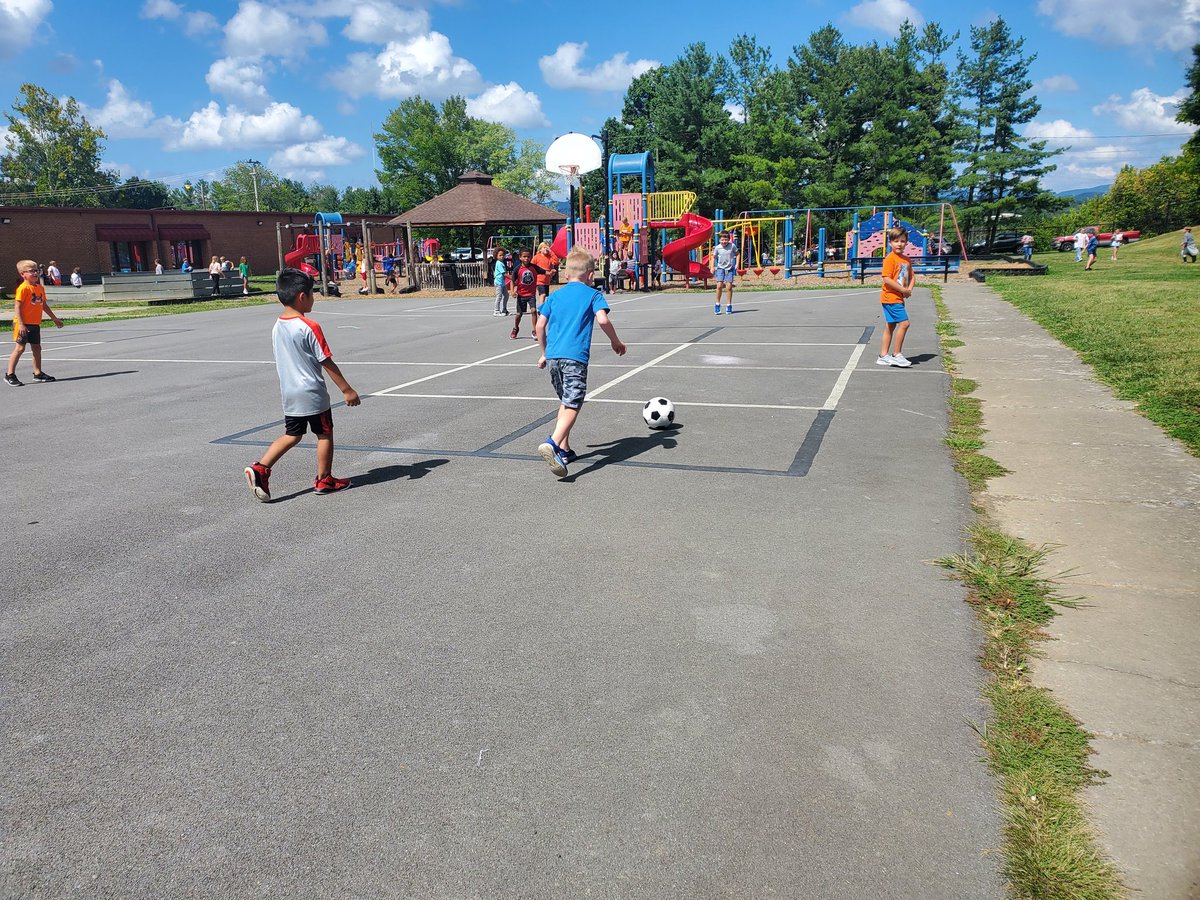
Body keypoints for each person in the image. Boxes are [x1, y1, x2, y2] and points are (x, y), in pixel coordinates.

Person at [243, 267, 360, 503]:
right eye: (312, 294)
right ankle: (324, 478)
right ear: (301, 297)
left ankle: (261, 468)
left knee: (292, 435)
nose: (314, 299)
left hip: (290, 392)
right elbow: (325, 360)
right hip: (312, 392)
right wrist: (347, 389)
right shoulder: (309, 327)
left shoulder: (278, 326)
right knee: (324, 433)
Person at [534, 248, 627, 478]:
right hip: (575, 358)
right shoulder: (593, 295)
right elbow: (603, 319)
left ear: (565, 275)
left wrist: (544, 353)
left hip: (554, 357)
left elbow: (539, 327)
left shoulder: (554, 296)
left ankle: (564, 450)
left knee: (566, 402)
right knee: (574, 403)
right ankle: (553, 443)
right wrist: (615, 341)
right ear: (591, 275)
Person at [6, 260, 63, 387]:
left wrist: (54, 318)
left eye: (36, 270)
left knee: (37, 348)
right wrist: (20, 324)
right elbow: (18, 307)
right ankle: (10, 374)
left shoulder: (39, 288)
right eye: (32, 271)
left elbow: (43, 305)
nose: (35, 273)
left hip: (34, 323)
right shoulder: (23, 288)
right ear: (23, 274)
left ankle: (37, 373)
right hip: (22, 324)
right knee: (20, 348)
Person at [876, 226, 915, 368]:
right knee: (905, 324)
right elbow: (886, 278)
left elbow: (912, 277)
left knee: (890, 326)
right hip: (890, 297)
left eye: (903, 241)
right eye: (896, 241)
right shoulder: (890, 259)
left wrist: (908, 290)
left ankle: (883, 356)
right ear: (890, 243)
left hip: (899, 297)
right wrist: (903, 290)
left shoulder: (906, 260)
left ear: (906, 243)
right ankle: (896, 354)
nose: (899, 244)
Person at [510, 248, 539, 339]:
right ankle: (515, 328)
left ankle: (535, 331)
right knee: (519, 314)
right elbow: (512, 280)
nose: (526, 258)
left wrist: (550, 273)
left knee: (534, 310)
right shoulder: (517, 269)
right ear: (520, 257)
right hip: (521, 295)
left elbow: (544, 271)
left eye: (528, 257)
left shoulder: (534, 267)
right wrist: (512, 291)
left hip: (531, 295)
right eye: (524, 257)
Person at [712, 230, 736, 315]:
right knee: (719, 285)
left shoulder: (732, 246)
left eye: (726, 240)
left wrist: (737, 264)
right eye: (722, 240)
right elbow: (713, 257)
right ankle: (717, 304)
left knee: (729, 287)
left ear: (728, 240)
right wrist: (712, 267)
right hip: (720, 268)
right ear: (719, 240)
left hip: (729, 268)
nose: (724, 241)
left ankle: (729, 305)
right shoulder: (718, 248)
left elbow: (738, 254)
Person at [531, 241, 559, 310]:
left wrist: (551, 252)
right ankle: (541, 308)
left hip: (546, 280)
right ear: (540, 249)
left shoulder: (549, 257)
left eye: (547, 248)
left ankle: (542, 307)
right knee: (542, 294)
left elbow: (556, 261)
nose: (546, 249)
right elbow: (531, 265)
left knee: (545, 295)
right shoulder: (536, 257)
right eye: (544, 248)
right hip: (539, 280)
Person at [492, 247, 509, 317]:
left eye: (503, 255)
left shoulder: (502, 263)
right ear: (496, 256)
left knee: (506, 295)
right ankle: (496, 311)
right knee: (499, 297)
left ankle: (504, 309)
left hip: (502, 283)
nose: (502, 257)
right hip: (498, 282)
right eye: (500, 255)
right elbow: (504, 274)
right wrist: (512, 277)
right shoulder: (498, 263)